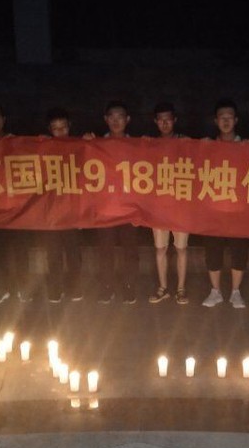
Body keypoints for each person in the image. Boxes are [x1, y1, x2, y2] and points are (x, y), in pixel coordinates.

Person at [0, 101, 32, 304]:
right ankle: (2, 288)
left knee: (20, 251)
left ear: (4, 120)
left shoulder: (15, 142)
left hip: (15, 208)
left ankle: (22, 287)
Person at [89, 100, 139, 304]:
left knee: (130, 251)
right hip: (106, 208)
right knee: (105, 251)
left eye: (120, 117)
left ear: (128, 120)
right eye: (112, 117)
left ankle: (130, 286)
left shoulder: (138, 146)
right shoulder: (96, 145)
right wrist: (84, 143)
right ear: (106, 119)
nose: (116, 121)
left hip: (129, 208)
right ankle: (107, 287)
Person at [202, 98, 249, 309]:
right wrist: (200, 148)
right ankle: (216, 291)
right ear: (216, 121)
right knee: (213, 250)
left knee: (239, 251)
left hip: (238, 209)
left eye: (230, 117)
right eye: (222, 117)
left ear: (236, 120)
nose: (226, 121)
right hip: (214, 208)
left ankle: (236, 292)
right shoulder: (208, 146)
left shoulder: (247, 146)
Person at [148, 102, 189, 305]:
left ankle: (181, 289)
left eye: (168, 119)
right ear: (156, 122)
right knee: (160, 248)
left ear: (175, 121)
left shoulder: (185, 142)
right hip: (159, 206)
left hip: (181, 205)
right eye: (161, 120)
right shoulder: (149, 145)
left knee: (181, 249)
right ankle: (163, 288)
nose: (165, 123)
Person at [43, 107, 83, 302]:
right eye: (55, 128)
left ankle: (75, 288)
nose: (60, 132)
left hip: (72, 210)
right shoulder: (43, 148)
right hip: (51, 211)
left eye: (63, 127)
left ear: (70, 127)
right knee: (53, 253)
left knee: (73, 251)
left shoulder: (78, 146)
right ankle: (55, 288)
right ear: (50, 130)